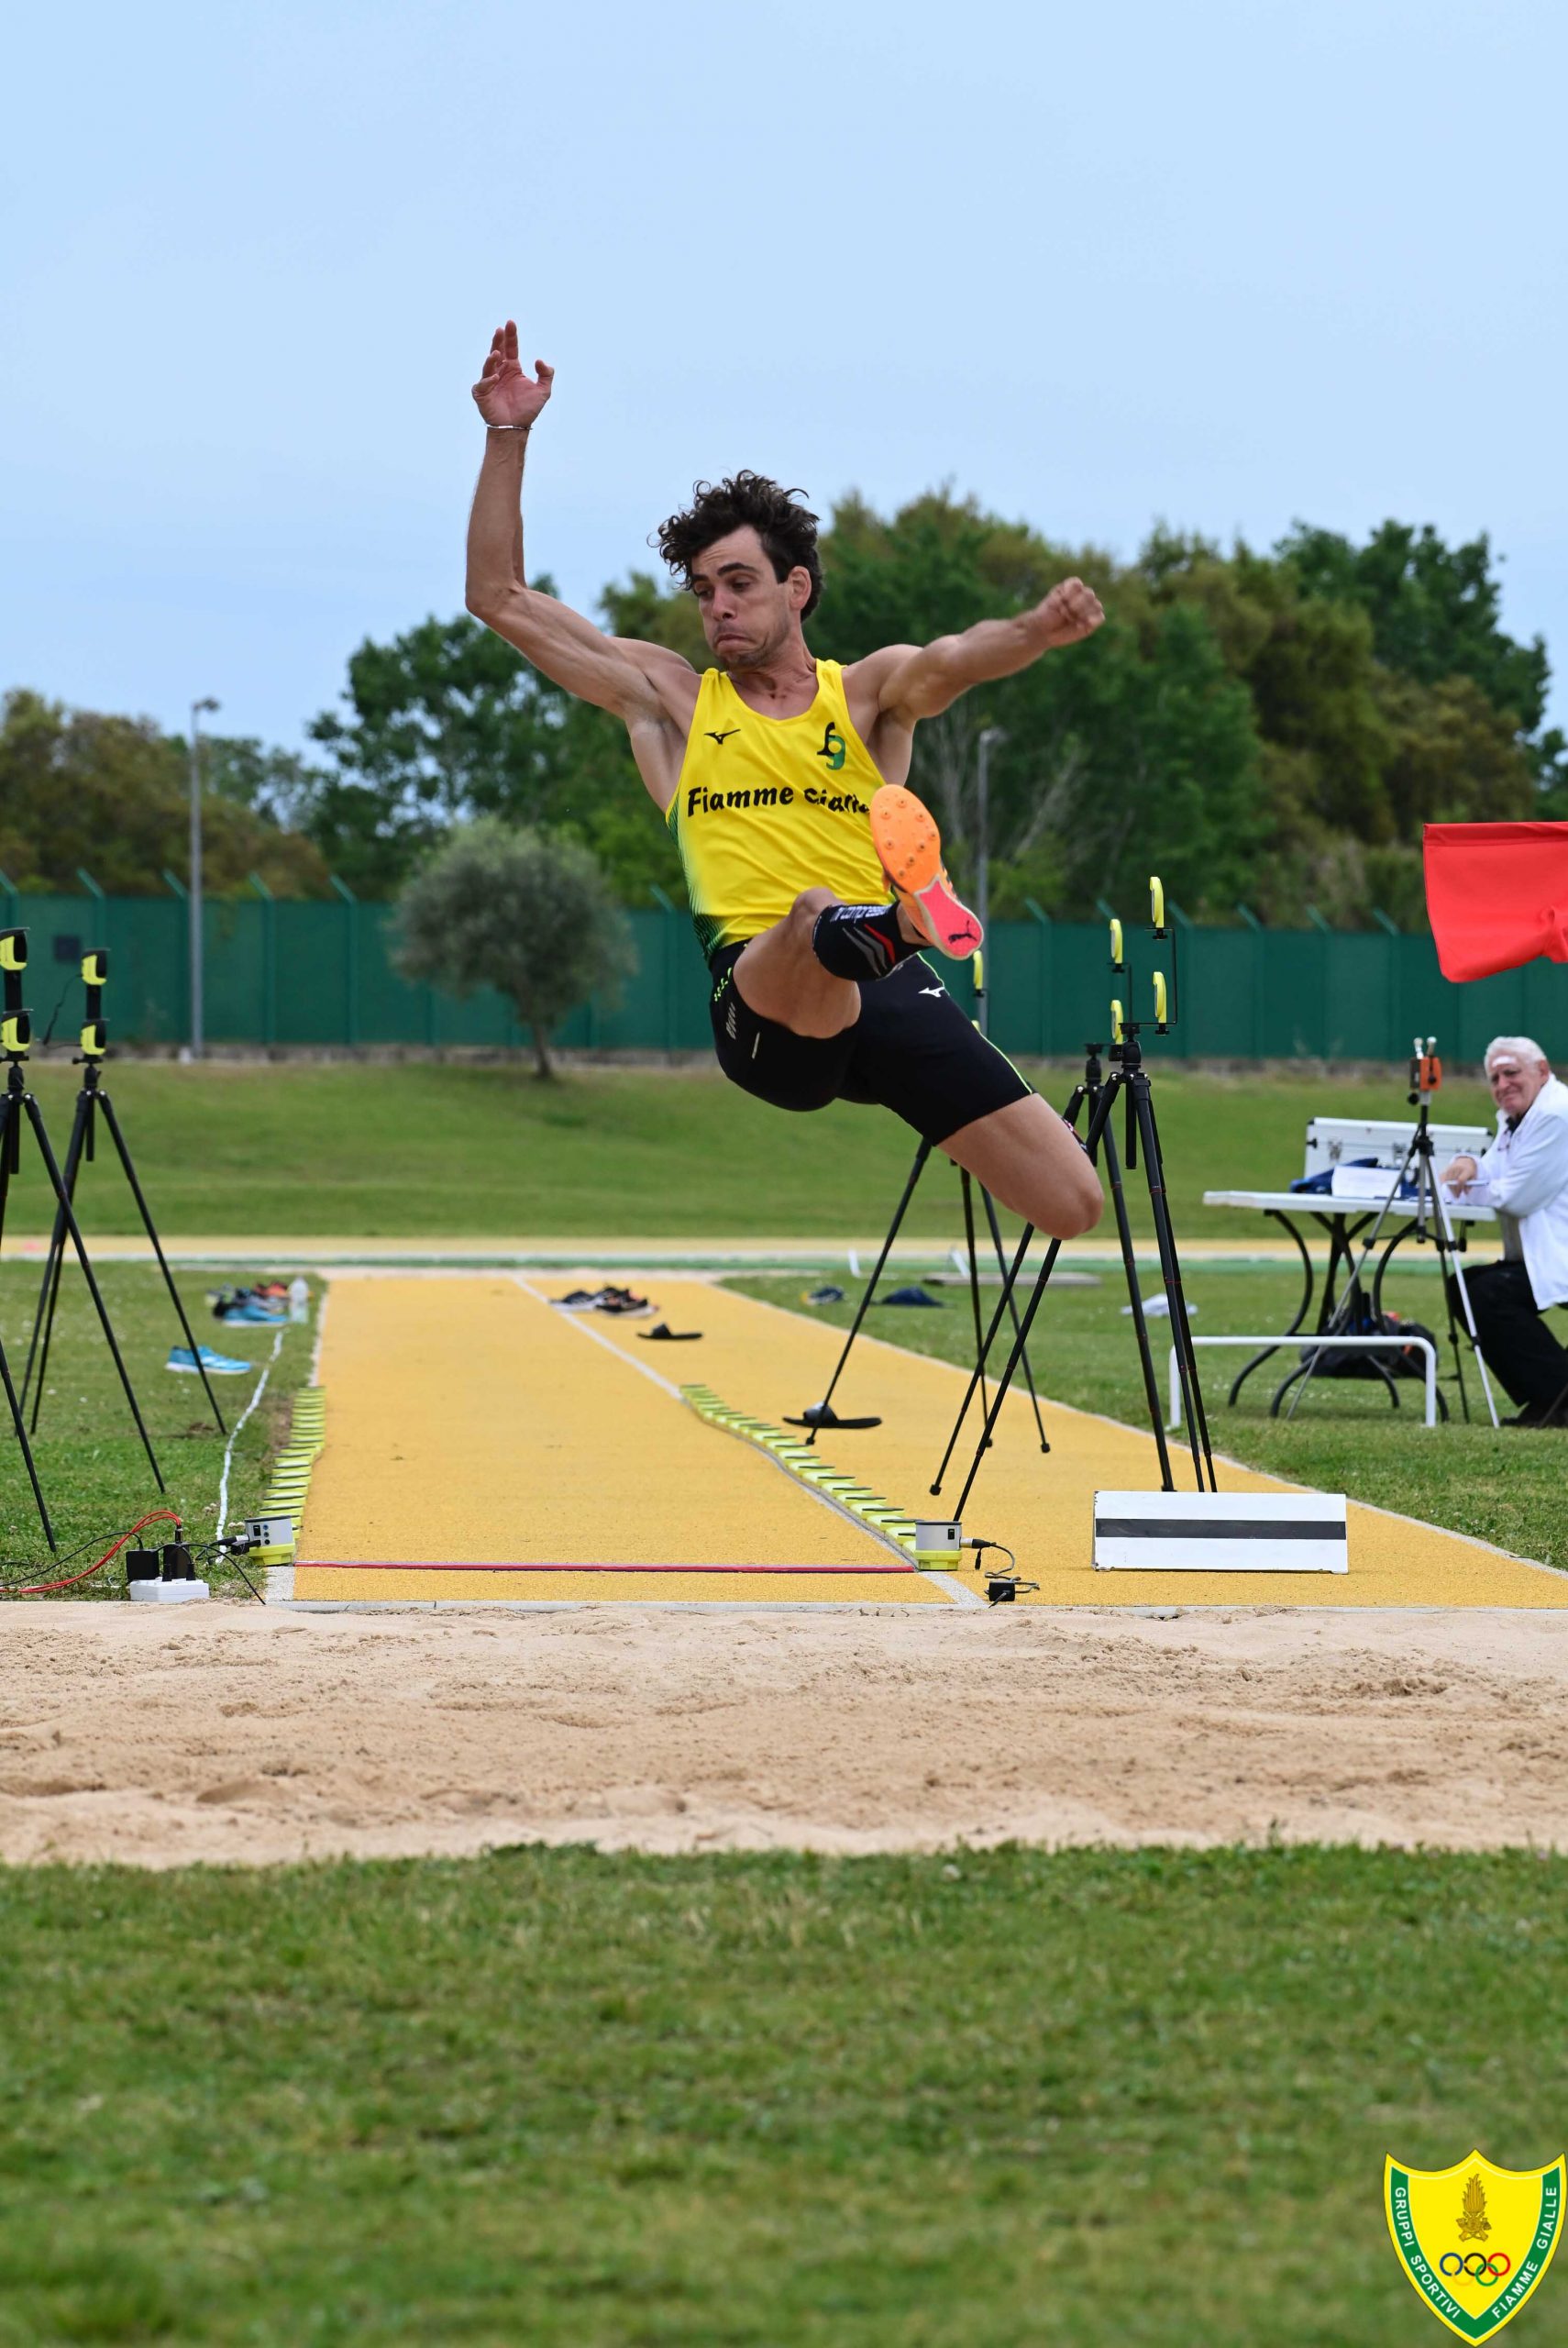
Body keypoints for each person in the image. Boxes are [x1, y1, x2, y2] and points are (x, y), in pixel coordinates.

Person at [462, 322, 1105, 1242]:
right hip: (767, 1002)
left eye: (738, 583)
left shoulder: (866, 697)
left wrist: (1036, 630)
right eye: (703, 591)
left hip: (886, 991)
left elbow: (954, 658)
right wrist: (507, 435)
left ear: (795, 587)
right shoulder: (673, 704)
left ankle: (897, 930)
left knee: (1073, 1203)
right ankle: (903, 920)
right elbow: (498, 598)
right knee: (812, 915)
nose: (716, 606)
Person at [1440, 1036, 1568, 1427]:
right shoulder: (1518, 1119)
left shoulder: (1556, 1115)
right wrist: (1470, 1163)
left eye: (1511, 1073)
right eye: (1495, 1079)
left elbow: (1516, 1197)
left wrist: (1467, 1186)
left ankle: (1557, 1395)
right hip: (1545, 1252)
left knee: (1486, 1294)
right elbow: (1494, 1168)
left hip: (1558, 1253)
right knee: (1466, 1286)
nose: (1502, 1085)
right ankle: (1550, 1397)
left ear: (1542, 1071)